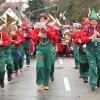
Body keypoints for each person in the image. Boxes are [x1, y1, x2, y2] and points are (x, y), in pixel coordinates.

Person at [33, 13, 60, 91]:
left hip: (48, 49)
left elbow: (53, 37)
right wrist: (38, 34)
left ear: (46, 20)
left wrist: (46, 29)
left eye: (43, 19)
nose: (42, 20)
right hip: (40, 49)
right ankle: (39, 83)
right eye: (40, 19)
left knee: (47, 67)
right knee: (40, 66)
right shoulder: (37, 28)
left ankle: (45, 83)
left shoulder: (50, 27)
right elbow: (34, 39)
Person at [82, 9, 100, 91]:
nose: (94, 22)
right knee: (93, 67)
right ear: (90, 22)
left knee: (99, 66)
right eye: (92, 21)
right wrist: (91, 36)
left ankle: (98, 82)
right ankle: (93, 84)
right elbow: (83, 39)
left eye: (95, 21)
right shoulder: (87, 30)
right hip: (90, 51)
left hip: (99, 51)